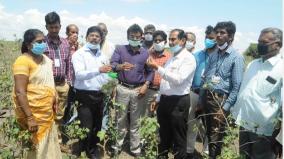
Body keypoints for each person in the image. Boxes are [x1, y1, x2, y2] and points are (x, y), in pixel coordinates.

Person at [232, 27, 283, 159]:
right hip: (244, 124)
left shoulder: (281, 68)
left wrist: (281, 138)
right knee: (243, 156)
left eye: (264, 42)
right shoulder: (253, 64)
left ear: (277, 44)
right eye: (259, 41)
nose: (259, 45)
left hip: (264, 131)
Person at [198, 21, 245, 158]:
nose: (218, 35)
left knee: (216, 136)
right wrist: (201, 99)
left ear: (230, 37)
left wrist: (225, 108)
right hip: (208, 97)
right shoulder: (214, 54)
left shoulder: (236, 57)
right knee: (208, 133)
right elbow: (205, 78)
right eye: (217, 32)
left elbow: (237, 87)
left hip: (220, 101)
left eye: (222, 33)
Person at [148, 28, 196, 159]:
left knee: (178, 139)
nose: (170, 42)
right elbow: (164, 82)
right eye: (169, 39)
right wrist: (158, 99)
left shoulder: (188, 59)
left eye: (173, 39)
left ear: (183, 40)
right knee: (163, 136)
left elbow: (178, 80)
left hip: (178, 102)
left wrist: (157, 68)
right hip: (165, 101)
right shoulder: (171, 58)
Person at [13, 29, 61, 159]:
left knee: (47, 146)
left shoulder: (46, 60)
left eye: (44, 41)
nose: (43, 44)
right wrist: (29, 118)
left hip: (46, 112)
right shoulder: (22, 61)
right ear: (28, 45)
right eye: (39, 42)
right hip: (33, 113)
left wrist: (54, 97)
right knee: (34, 148)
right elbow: (20, 91)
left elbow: (50, 84)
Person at [110, 24, 154, 157]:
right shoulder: (120, 49)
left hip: (138, 90)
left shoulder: (145, 53)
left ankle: (135, 149)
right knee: (120, 118)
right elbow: (112, 65)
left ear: (141, 38)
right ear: (127, 36)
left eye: (137, 37)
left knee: (136, 120)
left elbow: (151, 71)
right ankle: (117, 146)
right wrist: (120, 66)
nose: (134, 38)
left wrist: (146, 84)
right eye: (132, 36)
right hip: (122, 88)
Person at [72, 26, 112, 158]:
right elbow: (79, 75)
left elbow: (107, 75)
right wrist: (99, 70)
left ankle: (87, 147)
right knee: (86, 125)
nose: (95, 38)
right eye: (92, 35)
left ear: (101, 39)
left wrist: (115, 76)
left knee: (97, 125)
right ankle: (90, 152)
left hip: (99, 95)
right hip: (84, 95)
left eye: (98, 36)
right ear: (86, 37)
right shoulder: (79, 54)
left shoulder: (103, 56)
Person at [186, 25, 217, 157]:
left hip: (212, 97)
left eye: (212, 38)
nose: (208, 40)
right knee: (191, 124)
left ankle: (206, 152)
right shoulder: (197, 55)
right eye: (207, 37)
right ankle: (189, 150)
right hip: (195, 93)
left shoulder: (219, 57)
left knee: (210, 127)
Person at [44, 12, 71, 124]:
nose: (54, 30)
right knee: (47, 114)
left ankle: (58, 139)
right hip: (47, 85)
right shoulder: (42, 42)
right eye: (51, 27)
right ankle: (48, 139)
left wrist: (68, 83)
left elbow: (69, 63)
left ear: (60, 26)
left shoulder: (65, 42)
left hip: (62, 85)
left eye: (56, 27)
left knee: (59, 115)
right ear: (46, 27)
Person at [146, 30, 171, 116]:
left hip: (163, 92)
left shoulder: (170, 57)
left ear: (165, 42)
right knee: (146, 117)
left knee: (160, 118)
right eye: (155, 40)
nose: (157, 42)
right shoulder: (148, 55)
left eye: (160, 40)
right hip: (148, 90)